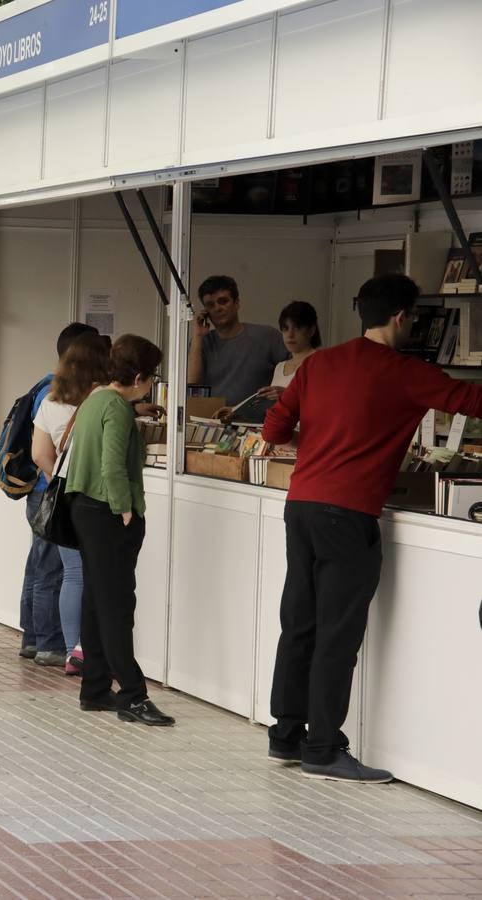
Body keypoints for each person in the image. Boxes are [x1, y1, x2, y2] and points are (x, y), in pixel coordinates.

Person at [262, 274, 482, 782]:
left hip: (302, 506)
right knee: (337, 632)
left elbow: (274, 428)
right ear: (402, 316)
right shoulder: (406, 372)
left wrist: (317, 443)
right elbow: (471, 402)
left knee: (299, 622)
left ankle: (286, 735)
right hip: (350, 512)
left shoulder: (318, 364)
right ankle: (323, 749)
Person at [65, 334, 174, 727]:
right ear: (141, 375)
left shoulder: (95, 399)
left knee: (96, 600)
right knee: (117, 606)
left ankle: (94, 688)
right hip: (109, 513)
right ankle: (133, 693)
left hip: (83, 508)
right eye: (153, 376)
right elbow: (113, 463)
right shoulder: (118, 409)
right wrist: (124, 508)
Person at [30, 333, 111, 677]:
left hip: (65, 498)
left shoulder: (50, 400)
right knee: (95, 576)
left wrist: (60, 483)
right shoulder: (103, 399)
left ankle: (71, 648)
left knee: (71, 575)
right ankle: (88, 646)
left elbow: (39, 454)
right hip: (96, 499)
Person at [19, 322, 98, 664]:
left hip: (47, 492)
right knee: (56, 570)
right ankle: (53, 644)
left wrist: (55, 478)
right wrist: (60, 481)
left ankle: (36, 639)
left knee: (40, 566)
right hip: (56, 495)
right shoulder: (91, 399)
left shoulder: (48, 393)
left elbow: (39, 452)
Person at [188, 275, 288, 405]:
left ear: (237, 303)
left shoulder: (267, 336)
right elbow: (192, 386)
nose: (217, 308)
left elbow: (298, 370)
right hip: (212, 420)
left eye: (223, 301)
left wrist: (285, 392)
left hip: (256, 421)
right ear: (205, 311)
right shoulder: (202, 342)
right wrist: (197, 336)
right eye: (210, 305)